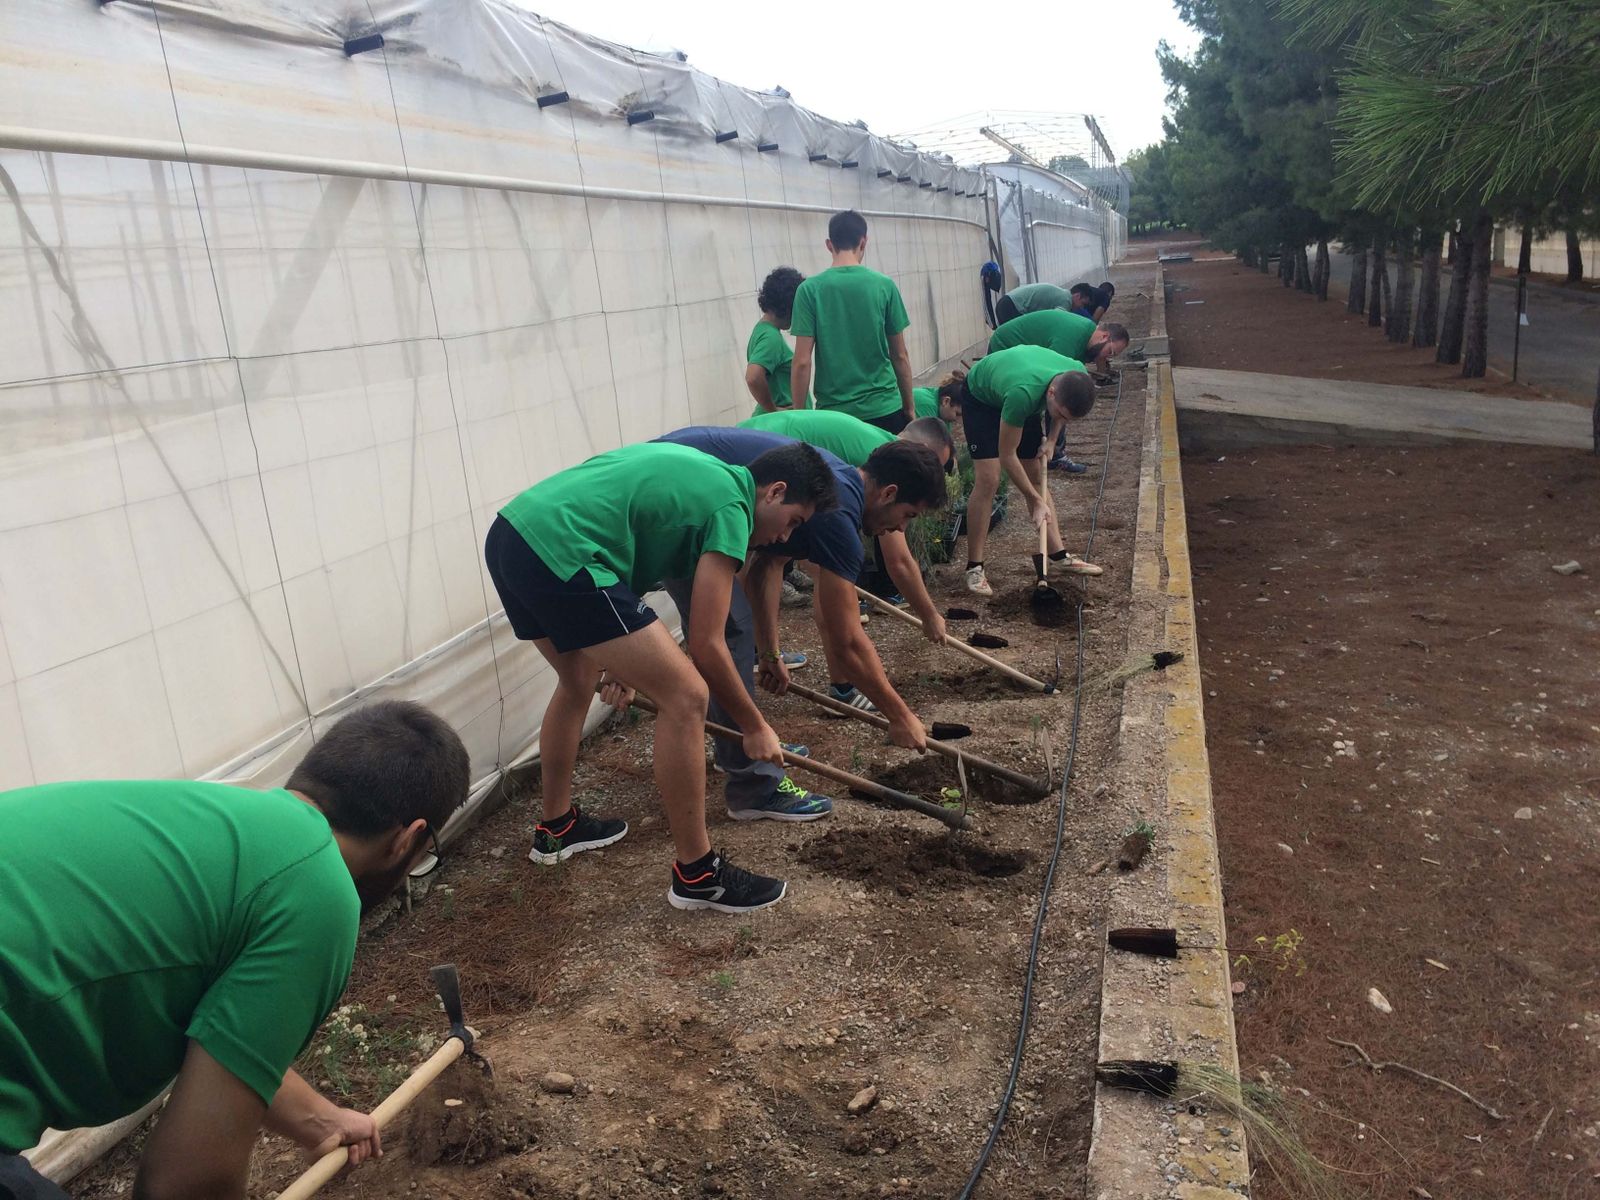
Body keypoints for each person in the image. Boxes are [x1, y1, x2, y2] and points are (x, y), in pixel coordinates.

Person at [0, 701, 470, 1200]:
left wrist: (318, 1119)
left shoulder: (223, 827)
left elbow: (218, 1041)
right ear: (409, 840)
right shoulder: (317, 888)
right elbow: (185, 1182)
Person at [485, 440, 836, 913]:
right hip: (562, 546)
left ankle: (557, 827)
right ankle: (698, 874)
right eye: (793, 521)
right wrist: (754, 725)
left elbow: (617, 529)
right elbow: (709, 646)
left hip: (515, 533)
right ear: (774, 492)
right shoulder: (732, 507)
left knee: (577, 678)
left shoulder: (709, 477)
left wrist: (620, 663)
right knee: (686, 694)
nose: (784, 538)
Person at [656, 426, 945, 751]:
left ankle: (742, 745)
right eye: (908, 515)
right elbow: (846, 641)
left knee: (732, 629)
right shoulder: (837, 518)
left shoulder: (833, 489)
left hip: (674, 470)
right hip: (675, 488)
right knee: (729, 629)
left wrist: (768, 652)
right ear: (888, 493)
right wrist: (900, 715)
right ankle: (750, 767)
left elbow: (767, 564)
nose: (900, 528)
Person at [737, 406, 957, 644]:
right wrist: (929, 616)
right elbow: (899, 562)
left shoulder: (886, 456)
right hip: (751, 462)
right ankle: (754, 651)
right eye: (936, 465)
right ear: (922, 450)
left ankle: (761, 652)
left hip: (757, 444)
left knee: (782, 555)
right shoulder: (888, 470)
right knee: (826, 570)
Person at [958, 345, 1103, 597]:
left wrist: (1051, 441)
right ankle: (974, 567)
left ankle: (1059, 556)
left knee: (1036, 475)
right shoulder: (1022, 395)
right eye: (1057, 411)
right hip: (982, 398)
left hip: (1027, 391)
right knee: (989, 479)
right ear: (1051, 392)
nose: (1060, 417)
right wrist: (1035, 501)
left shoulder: (1076, 375)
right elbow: (1007, 455)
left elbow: (1061, 414)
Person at [789, 211, 915, 434]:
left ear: (829, 244)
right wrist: (909, 407)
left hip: (835, 416)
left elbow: (801, 362)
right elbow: (900, 355)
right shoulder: (884, 286)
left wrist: (800, 417)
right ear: (863, 241)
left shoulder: (809, 290)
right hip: (884, 408)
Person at [987, 312, 1130, 473]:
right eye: (1110, 352)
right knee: (1021, 406)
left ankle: (1046, 455)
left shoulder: (1086, 338)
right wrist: (1051, 440)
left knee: (1041, 408)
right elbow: (1056, 395)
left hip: (1026, 356)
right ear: (1104, 336)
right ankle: (1009, 458)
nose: (1106, 358)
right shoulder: (1070, 339)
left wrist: (1051, 441)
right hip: (1005, 346)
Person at [745, 266, 805, 415]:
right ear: (789, 305)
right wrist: (772, 410)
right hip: (781, 426)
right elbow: (753, 376)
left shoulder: (761, 330)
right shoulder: (771, 338)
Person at [994, 281, 1074, 325]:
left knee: (1005, 339)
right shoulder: (1067, 300)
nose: (1081, 307)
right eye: (1082, 304)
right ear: (1077, 296)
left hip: (1005, 301)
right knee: (1018, 341)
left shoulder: (1060, 293)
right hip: (1014, 306)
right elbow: (1057, 319)